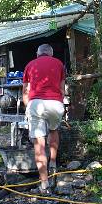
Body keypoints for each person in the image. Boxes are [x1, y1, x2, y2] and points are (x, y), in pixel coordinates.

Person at [22, 43, 65, 194]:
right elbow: (62, 89)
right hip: (55, 103)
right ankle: (53, 163)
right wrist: (60, 102)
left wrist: (28, 107)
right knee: (54, 130)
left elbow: (25, 92)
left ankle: (44, 183)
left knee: (39, 143)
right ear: (51, 54)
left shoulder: (30, 65)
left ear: (38, 53)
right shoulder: (59, 64)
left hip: (36, 104)